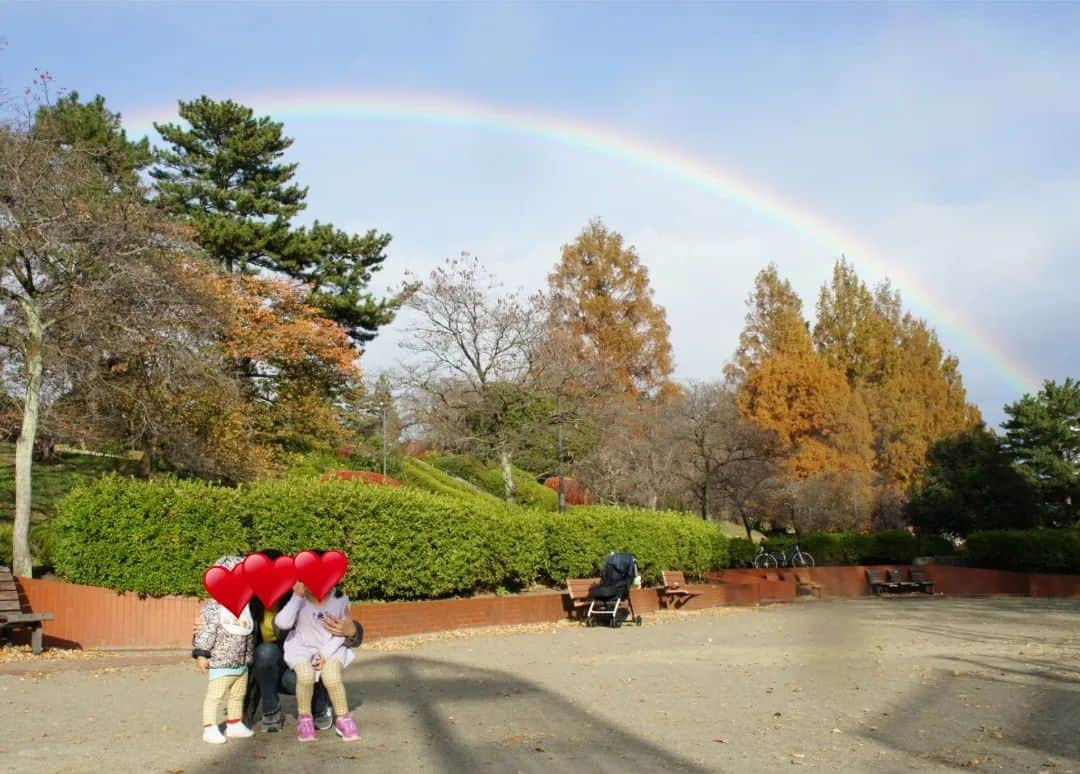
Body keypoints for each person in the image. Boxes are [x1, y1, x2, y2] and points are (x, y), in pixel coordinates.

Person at [275, 578, 360, 742]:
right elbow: (283, 623)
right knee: (305, 676)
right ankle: (305, 719)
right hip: (301, 647)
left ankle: (344, 719)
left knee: (332, 677)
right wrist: (297, 597)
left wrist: (324, 653)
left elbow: (343, 631)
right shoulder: (299, 599)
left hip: (332, 647)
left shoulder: (341, 600)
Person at [192, 555, 256, 744]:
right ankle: (209, 727)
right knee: (215, 696)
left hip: (242, 663)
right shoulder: (213, 607)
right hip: (221, 661)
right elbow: (206, 630)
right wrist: (202, 654)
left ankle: (234, 724)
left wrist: (248, 657)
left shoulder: (246, 606)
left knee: (238, 696)